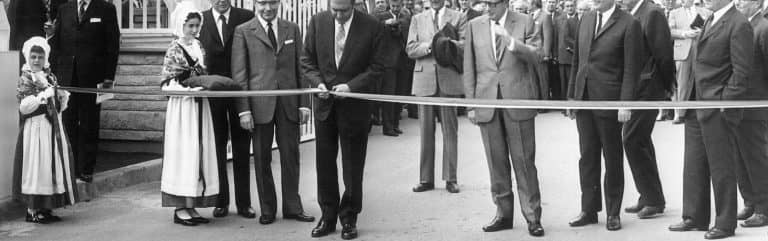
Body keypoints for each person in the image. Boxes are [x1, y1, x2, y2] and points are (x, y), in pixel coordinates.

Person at [668, 0, 753, 238]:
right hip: (697, 101)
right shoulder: (710, 18)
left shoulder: (738, 24)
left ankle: (725, 223)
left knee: (721, 166)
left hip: (717, 107)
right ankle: (695, 217)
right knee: (694, 163)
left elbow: (741, 71)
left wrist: (724, 103)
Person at [301, 0, 386, 239]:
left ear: (354, 5)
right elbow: (306, 60)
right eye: (334, 11)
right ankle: (327, 216)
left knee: (353, 165)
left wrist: (351, 86)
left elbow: (378, 67)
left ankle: (349, 217)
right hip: (324, 106)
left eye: (344, 11)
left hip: (355, 107)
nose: (338, 16)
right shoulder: (318, 22)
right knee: (324, 164)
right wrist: (317, 82)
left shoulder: (371, 26)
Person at [463, 0, 546, 236]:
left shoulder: (525, 21)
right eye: (484, 3)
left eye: (492, 4)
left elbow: (537, 55)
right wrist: (471, 105)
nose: (487, 8)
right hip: (486, 102)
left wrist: (510, 41)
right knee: (495, 161)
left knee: (524, 162)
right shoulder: (474, 25)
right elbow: (470, 67)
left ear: (505, 3)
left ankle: (532, 216)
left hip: (517, 100)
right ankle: (503, 214)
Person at [230, 0, 316, 225]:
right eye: (263, 3)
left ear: (280, 4)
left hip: (288, 104)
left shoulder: (292, 28)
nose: (268, 8)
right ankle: (267, 208)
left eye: (273, 3)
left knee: (291, 156)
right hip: (259, 106)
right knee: (261, 157)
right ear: (255, 4)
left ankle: (293, 207)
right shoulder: (243, 31)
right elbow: (240, 75)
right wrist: (244, 111)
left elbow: (302, 68)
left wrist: (304, 103)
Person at [566, 0, 641, 231]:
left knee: (612, 157)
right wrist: (571, 97)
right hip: (585, 100)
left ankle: (613, 212)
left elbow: (632, 68)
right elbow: (578, 61)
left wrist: (625, 104)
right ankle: (588, 210)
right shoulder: (586, 18)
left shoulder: (629, 23)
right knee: (587, 157)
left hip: (610, 101)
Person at [159, 11, 220, 227]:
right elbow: (167, 82)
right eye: (190, 26)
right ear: (181, 25)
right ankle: (179, 207)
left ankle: (191, 203)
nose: (194, 30)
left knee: (198, 151)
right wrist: (187, 87)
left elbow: (203, 72)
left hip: (199, 105)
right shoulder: (174, 49)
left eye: (197, 26)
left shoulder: (199, 46)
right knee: (184, 152)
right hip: (183, 108)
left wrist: (201, 84)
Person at [196, 0, 255, 219]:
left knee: (242, 148)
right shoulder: (200, 20)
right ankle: (221, 201)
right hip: (213, 95)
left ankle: (244, 203)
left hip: (239, 92)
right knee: (217, 147)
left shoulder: (246, 16)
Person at [49, 0, 120, 183]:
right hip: (67, 77)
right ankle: (70, 167)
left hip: (93, 77)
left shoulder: (106, 8)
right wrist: (54, 75)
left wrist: (108, 77)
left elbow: (112, 45)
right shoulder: (65, 9)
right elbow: (56, 44)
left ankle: (86, 168)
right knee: (69, 121)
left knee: (89, 122)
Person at [618, 0, 675, 220]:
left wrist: (666, 87)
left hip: (648, 88)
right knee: (640, 140)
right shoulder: (636, 12)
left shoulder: (652, 13)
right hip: (638, 88)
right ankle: (649, 195)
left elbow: (663, 55)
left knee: (632, 139)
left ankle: (653, 199)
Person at [12, 36, 77, 224]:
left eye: (40, 57)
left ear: (45, 57)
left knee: (48, 166)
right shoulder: (25, 78)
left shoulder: (50, 77)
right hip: (35, 129)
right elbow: (24, 107)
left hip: (50, 128)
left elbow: (57, 105)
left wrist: (61, 97)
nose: (36, 61)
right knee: (36, 166)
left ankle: (45, 208)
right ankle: (32, 210)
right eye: (33, 57)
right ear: (27, 57)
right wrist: (42, 96)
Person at [406, 0, 465, 194]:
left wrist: (446, 46)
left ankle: (451, 178)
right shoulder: (417, 19)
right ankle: (426, 179)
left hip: (449, 77)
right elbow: (411, 48)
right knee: (425, 131)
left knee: (450, 130)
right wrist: (430, 47)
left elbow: (464, 46)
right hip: (425, 79)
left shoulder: (458, 17)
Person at [733, 0, 768, 228]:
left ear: (756, 3)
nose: (739, 3)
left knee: (756, 158)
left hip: (756, 104)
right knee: (740, 156)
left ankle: (764, 208)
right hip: (739, 104)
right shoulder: (744, 25)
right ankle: (750, 201)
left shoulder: (763, 28)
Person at [669, 0, 711, 123]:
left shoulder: (706, 12)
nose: (682, 1)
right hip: (683, 51)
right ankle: (679, 113)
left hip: (701, 49)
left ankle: (700, 110)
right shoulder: (674, 13)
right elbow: (670, 31)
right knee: (681, 83)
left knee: (701, 80)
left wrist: (702, 32)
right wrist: (685, 34)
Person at [374, 0, 410, 136]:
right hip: (388, 63)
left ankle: (395, 124)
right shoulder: (381, 17)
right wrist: (385, 24)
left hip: (402, 62)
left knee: (399, 94)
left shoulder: (405, 18)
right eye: (393, 6)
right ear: (390, 5)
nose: (395, 9)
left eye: (398, 6)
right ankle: (387, 127)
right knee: (389, 95)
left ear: (402, 6)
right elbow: (374, 29)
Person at [555, 0, 577, 105]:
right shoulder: (559, 19)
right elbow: (555, 38)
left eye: (572, 6)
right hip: (562, 56)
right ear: (564, 7)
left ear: (575, 6)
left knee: (572, 83)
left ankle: (573, 105)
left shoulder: (580, 19)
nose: (570, 8)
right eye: (567, 6)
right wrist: (555, 55)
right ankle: (565, 106)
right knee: (563, 83)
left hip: (574, 56)